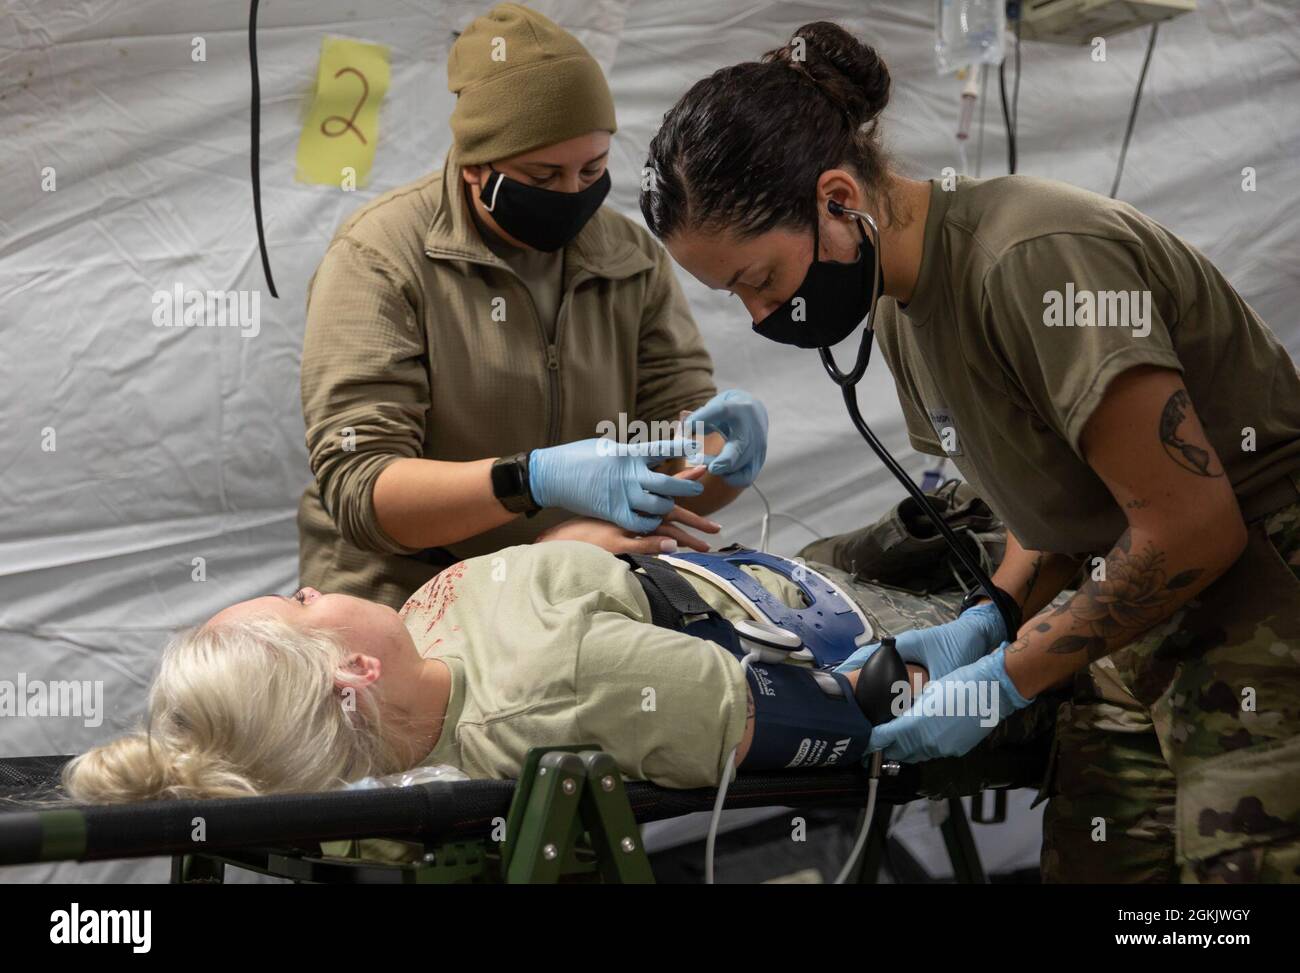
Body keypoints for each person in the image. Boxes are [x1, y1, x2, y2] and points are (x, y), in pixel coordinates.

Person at [638, 20, 1300, 882]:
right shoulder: (902, 307)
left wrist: (1005, 677)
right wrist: (993, 609)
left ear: (838, 199)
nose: (763, 317)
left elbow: (1192, 526)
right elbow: (1052, 494)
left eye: (760, 279)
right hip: (1136, 633)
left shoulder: (1036, 258)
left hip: (1261, 617)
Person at [298, 3, 768, 610]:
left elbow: (673, 452)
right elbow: (364, 492)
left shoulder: (627, 259)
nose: (573, 194)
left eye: (592, 169)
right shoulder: (381, 258)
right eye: (542, 177)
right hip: (401, 597)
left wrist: (720, 462)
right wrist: (529, 478)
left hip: (566, 578)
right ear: (475, 168)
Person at [62, 513, 951, 804]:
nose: (312, 587)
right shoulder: (563, 689)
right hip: (844, 619)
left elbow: (515, 598)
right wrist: (951, 675)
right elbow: (814, 715)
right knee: (1014, 545)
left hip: (758, 569)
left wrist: (579, 551)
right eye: (301, 603)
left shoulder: (417, 633)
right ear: (353, 673)